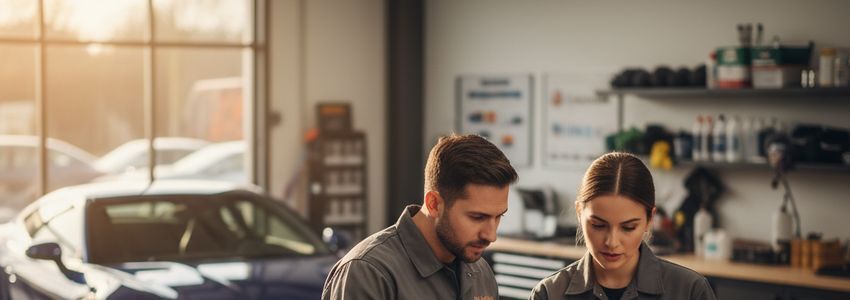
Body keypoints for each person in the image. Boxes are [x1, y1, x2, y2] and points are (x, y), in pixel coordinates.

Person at [322, 134, 518, 300]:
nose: (491, 235)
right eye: (477, 217)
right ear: (434, 204)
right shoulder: (368, 272)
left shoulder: (481, 273)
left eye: (498, 217)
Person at [530, 152, 716, 300]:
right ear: (579, 213)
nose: (612, 242)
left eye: (628, 228)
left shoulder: (691, 291)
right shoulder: (549, 293)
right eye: (598, 225)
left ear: (649, 219)